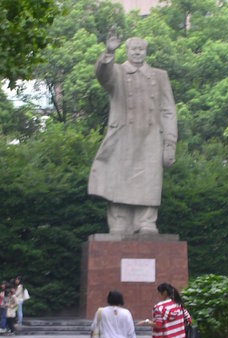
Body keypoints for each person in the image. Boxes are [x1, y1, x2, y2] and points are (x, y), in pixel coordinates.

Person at [88, 28, 177, 235]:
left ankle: (146, 221)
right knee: (118, 178)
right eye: (133, 49)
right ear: (127, 51)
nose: (137, 53)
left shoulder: (160, 76)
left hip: (151, 138)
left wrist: (170, 142)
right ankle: (119, 221)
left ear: (146, 52)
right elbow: (103, 76)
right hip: (122, 136)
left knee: (149, 180)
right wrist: (109, 53)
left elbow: (168, 110)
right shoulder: (117, 72)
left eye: (141, 49)